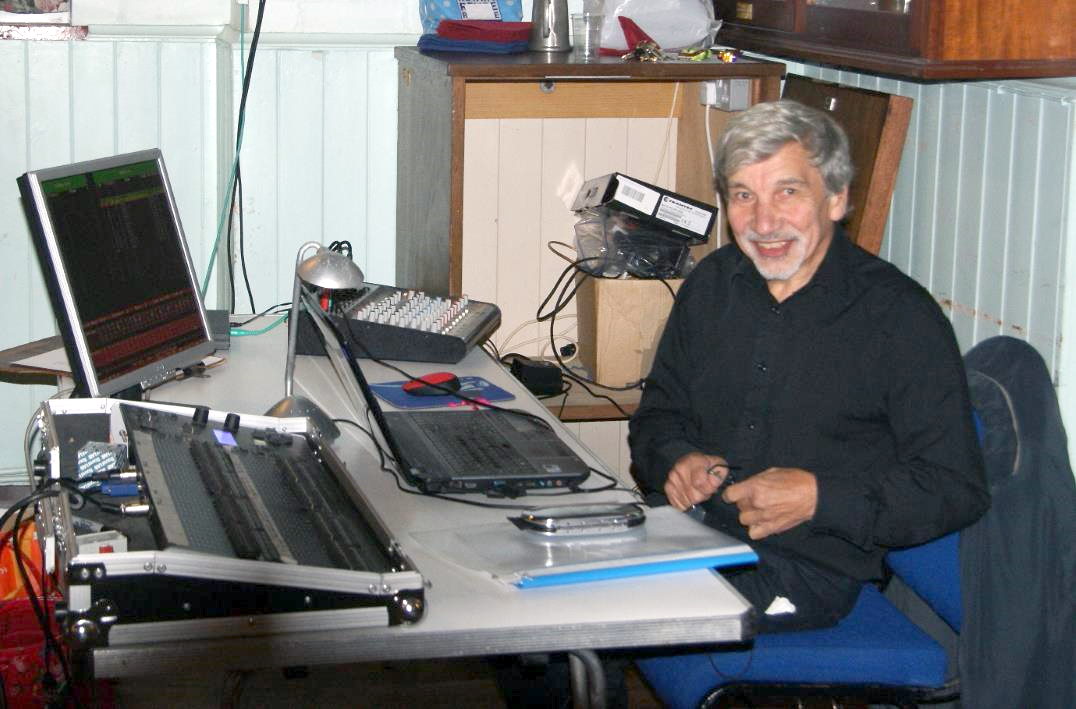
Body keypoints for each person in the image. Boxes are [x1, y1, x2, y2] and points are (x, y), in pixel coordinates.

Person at [628, 99, 990, 632]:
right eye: (744, 196)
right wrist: (675, 459)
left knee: (595, 611)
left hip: (804, 570)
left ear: (837, 198)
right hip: (687, 532)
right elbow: (657, 417)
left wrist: (819, 499)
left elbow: (955, 488)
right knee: (540, 567)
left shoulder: (900, 317)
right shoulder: (712, 285)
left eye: (788, 192)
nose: (763, 221)